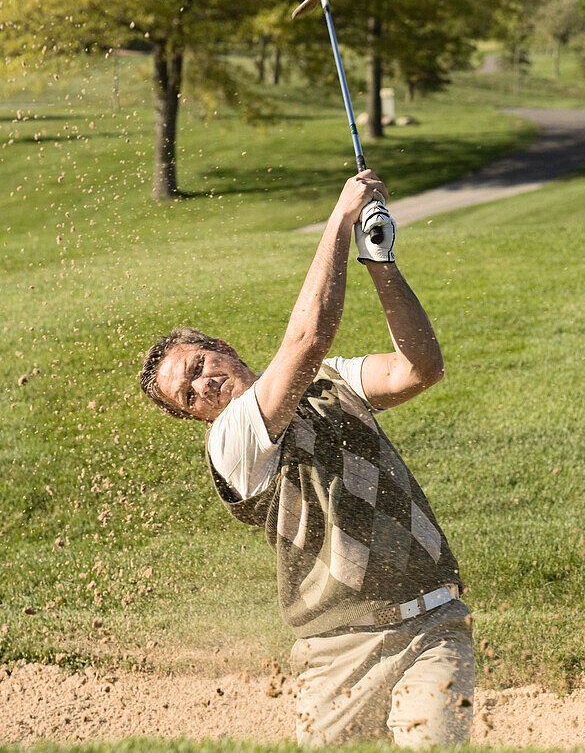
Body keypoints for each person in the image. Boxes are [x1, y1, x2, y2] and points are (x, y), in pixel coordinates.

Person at [139, 169, 474, 746]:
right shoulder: (232, 442)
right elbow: (309, 336)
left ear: (221, 349)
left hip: (433, 623)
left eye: (198, 367)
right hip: (339, 650)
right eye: (186, 396)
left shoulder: (331, 381)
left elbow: (419, 368)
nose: (202, 387)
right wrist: (340, 219)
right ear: (192, 416)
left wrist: (380, 262)